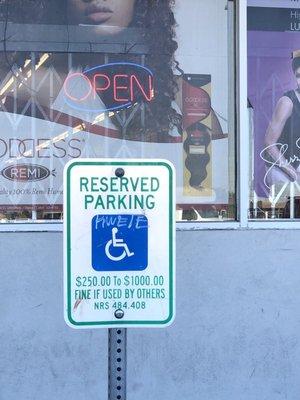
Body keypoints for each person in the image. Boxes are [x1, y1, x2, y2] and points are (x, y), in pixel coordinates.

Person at [263, 50, 300, 186]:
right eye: (298, 76)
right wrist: (291, 171)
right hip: (281, 169)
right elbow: (269, 143)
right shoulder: (287, 102)